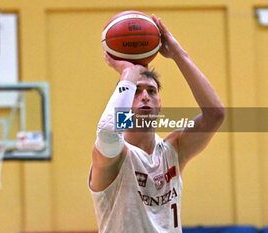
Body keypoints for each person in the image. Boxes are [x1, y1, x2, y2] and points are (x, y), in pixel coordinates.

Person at [89, 14, 224, 233]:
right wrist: (128, 74)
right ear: (123, 102)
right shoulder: (115, 155)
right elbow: (108, 132)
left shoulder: (174, 150)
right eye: (136, 91)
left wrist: (179, 55)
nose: (144, 97)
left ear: (160, 104)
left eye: (151, 91)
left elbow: (215, 114)